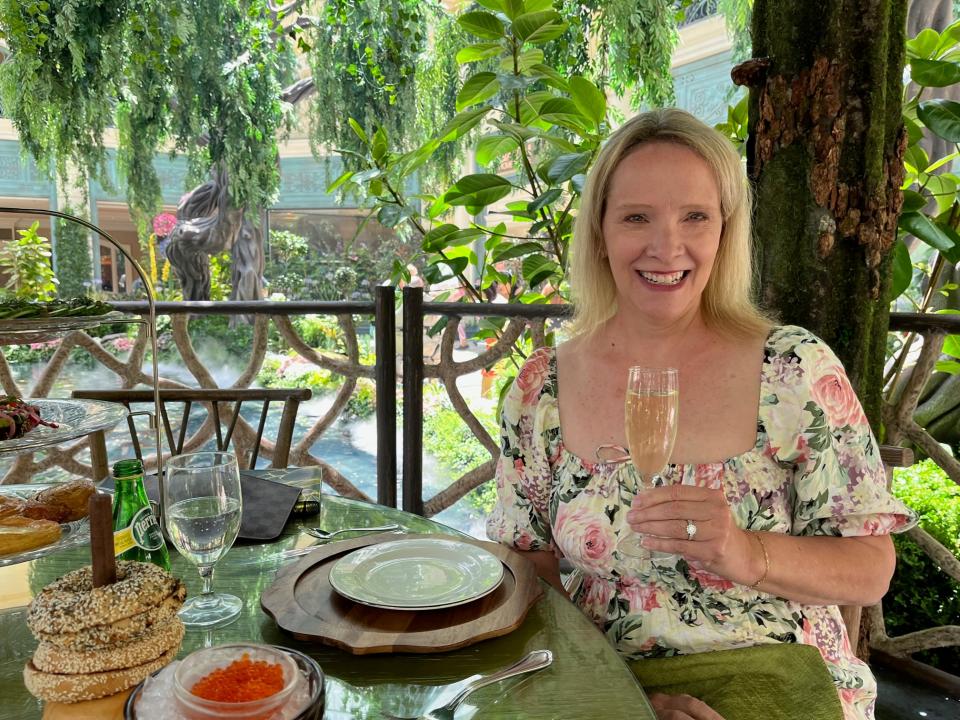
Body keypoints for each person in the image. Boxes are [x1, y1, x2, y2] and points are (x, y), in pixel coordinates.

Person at [486, 108, 915, 720]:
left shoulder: (795, 369)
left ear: (724, 232)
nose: (668, 247)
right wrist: (618, 699)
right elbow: (524, 563)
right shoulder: (540, 389)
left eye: (696, 216)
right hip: (612, 683)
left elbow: (871, 569)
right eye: (637, 217)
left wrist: (743, 552)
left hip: (782, 680)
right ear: (601, 233)